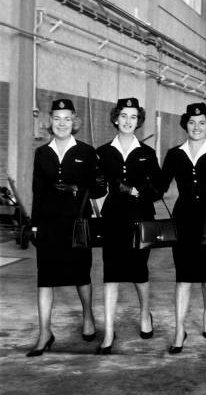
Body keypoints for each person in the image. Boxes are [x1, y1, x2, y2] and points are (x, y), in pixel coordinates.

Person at [27, 98, 106, 357]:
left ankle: (88, 317)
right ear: (51, 121)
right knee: (45, 279)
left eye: (67, 119)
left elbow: (99, 188)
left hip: (77, 224)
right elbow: (37, 191)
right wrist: (34, 225)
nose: (62, 123)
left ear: (75, 122)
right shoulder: (42, 153)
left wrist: (82, 186)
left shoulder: (86, 152)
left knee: (81, 274)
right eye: (57, 118)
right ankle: (44, 332)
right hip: (49, 224)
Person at [160, 103, 206, 354]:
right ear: (185, 124)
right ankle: (179, 330)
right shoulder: (174, 154)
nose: (197, 127)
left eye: (202, 123)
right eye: (192, 122)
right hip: (183, 219)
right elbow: (159, 186)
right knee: (183, 275)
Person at [96, 97, 163, 354]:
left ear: (139, 121)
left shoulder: (147, 154)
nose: (127, 121)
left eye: (133, 117)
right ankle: (109, 331)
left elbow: (158, 189)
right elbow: (96, 188)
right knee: (111, 273)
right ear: (115, 118)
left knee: (138, 270)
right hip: (112, 218)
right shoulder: (102, 152)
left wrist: (137, 192)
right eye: (123, 115)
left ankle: (145, 314)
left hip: (140, 219)